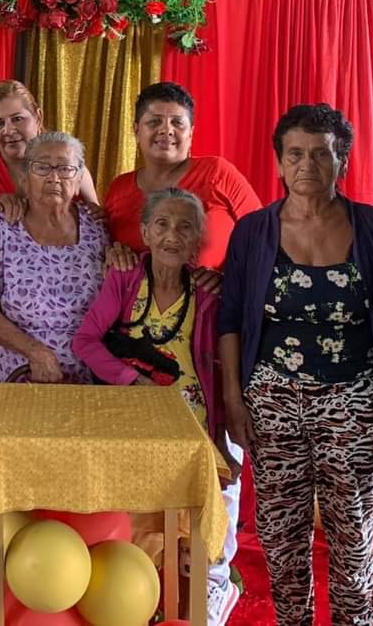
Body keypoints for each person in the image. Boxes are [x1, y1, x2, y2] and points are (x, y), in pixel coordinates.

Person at [219, 103, 373, 625]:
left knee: (353, 538)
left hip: (354, 401)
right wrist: (234, 399)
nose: (308, 165)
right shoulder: (253, 232)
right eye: (295, 154)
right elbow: (230, 319)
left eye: (322, 154)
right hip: (272, 402)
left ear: (341, 160)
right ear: (279, 162)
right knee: (281, 536)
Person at [72, 187, 242, 624]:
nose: (172, 235)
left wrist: (221, 438)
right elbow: (86, 342)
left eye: (185, 227)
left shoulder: (207, 294)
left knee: (192, 525)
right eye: (162, 224)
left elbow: (222, 368)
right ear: (145, 232)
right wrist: (134, 381)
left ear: (197, 239)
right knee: (134, 522)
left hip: (191, 427)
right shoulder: (125, 280)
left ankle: (197, 597)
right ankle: (135, 601)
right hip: (130, 425)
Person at [0, 131, 108, 384]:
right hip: (19, 367)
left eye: (65, 169)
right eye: (42, 167)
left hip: (88, 370)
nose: (54, 177)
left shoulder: (97, 228)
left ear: (79, 179)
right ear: (24, 178)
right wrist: (35, 352)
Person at [104, 81, 262, 271]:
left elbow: (264, 239)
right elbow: (105, 250)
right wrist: (111, 256)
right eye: (154, 122)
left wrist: (226, 279)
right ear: (137, 130)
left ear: (191, 133)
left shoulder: (217, 174)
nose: (166, 130)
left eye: (177, 123)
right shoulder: (119, 189)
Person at [0, 79, 98, 209]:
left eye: (17, 119)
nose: (9, 130)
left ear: (38, 118)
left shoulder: (70, 168)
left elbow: (96, 219)